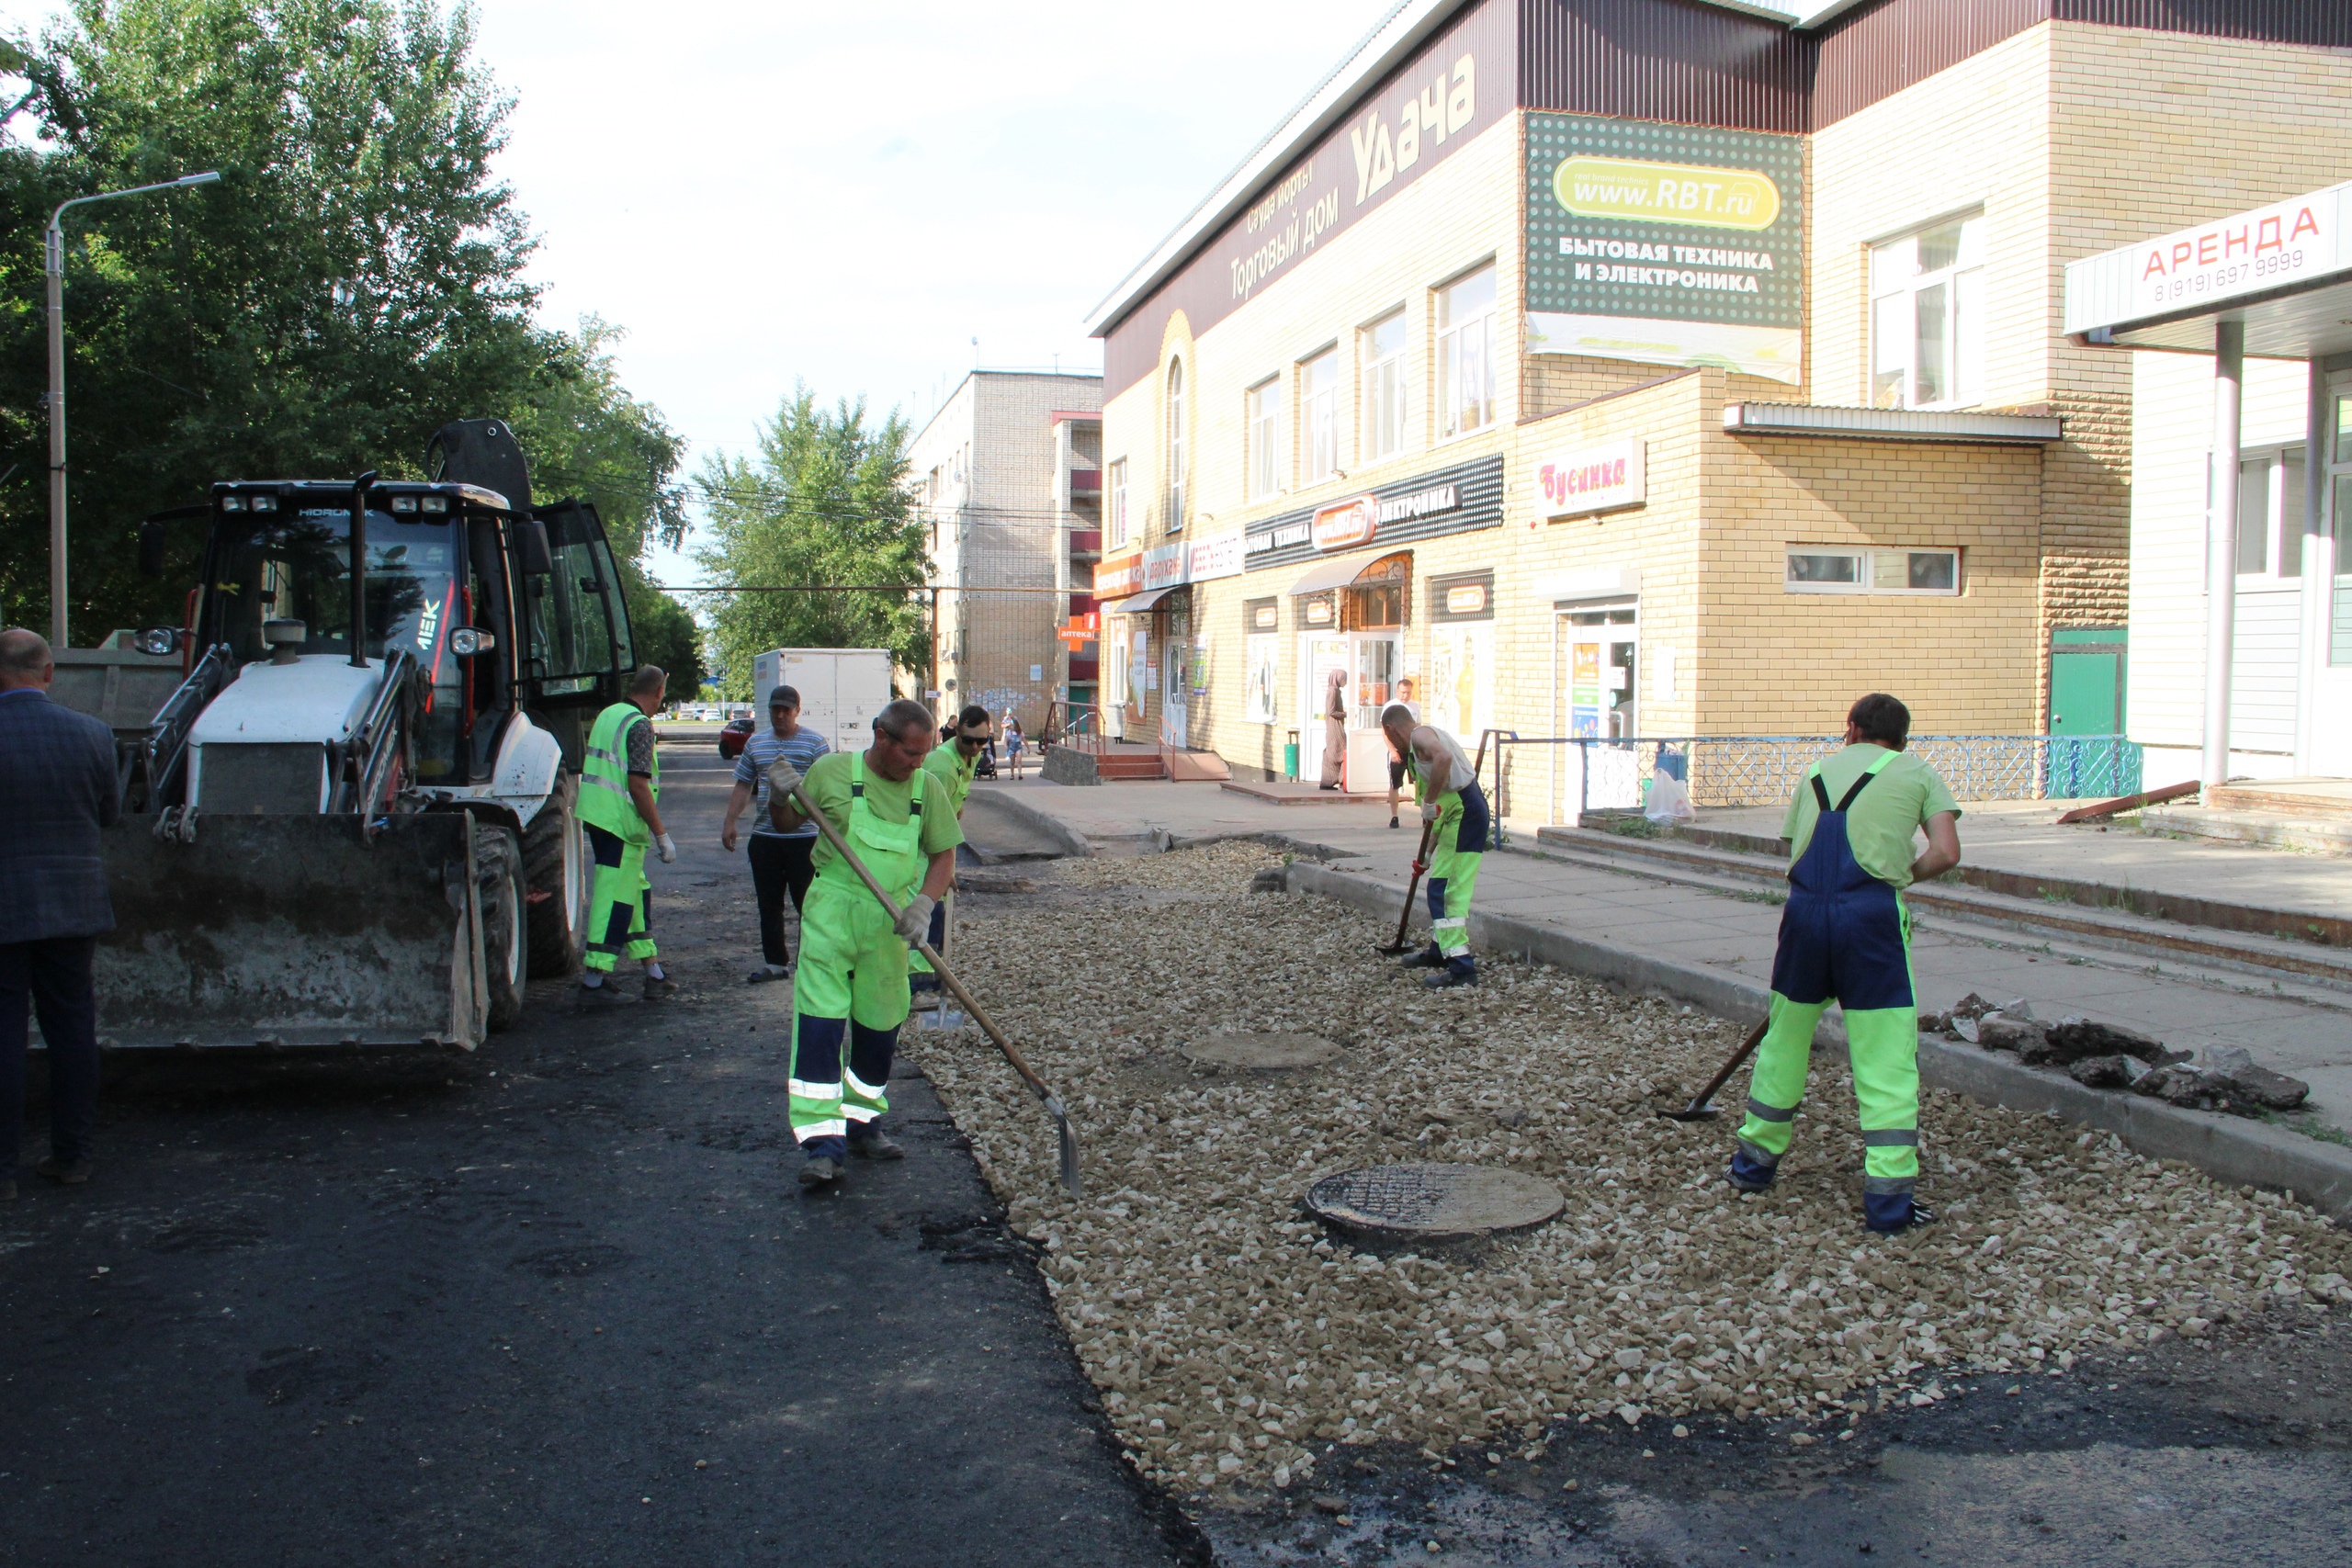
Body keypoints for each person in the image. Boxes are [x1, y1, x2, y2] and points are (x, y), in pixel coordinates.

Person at [1729, 693, 1962, 1235]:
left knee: (1783, 1043)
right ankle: (1888, 1205)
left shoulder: (1814, 772)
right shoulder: (1920, 773)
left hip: (1804, 919)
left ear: (1852, 729)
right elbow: (1947, 852)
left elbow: (1794, 842)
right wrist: (1903, 873)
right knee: (1885, 1059)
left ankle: (1753, 1167)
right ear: (1903, 735)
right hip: (1871, 924)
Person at [765, 699, 963, 1189]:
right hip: (833, 910)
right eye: (910, 753)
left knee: (881, 1022)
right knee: (821, 1023)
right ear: (882, 738)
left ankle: (863, 1123)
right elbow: (788, 823)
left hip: (890, 921)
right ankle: (821, 1146)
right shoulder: (832, 773)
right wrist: (776, 796)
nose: (918, 763)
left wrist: (924, 905)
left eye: (924, 754)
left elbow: (943, 855)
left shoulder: (927, 787)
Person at [0, 629, 119, 1193]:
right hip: (74, 905)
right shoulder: (93, 735)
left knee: (4, 1035)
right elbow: (110, 814)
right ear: (48, 673)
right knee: (71, 1029)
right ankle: (73, 1156)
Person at [575, 665, 676, 1009]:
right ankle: (594, 980)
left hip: (599, 815)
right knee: (615, 899)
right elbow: (637, 784)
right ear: (660, 691)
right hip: (620, 823)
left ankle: (654, 974)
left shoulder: (610, 715)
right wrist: (661, 834)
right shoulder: (639, 725)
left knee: (633, 893)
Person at [721, 685, 831, 983]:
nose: (780, 715)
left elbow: (827, 790)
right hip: (766, 837)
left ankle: (811, 963)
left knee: (809, 903)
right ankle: (775, 963)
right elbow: (744, 784)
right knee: (768, 903)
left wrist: (832, 830)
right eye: (775, 709)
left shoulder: (815, 744)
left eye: (786, 709)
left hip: (804, 838)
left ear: (798, 710)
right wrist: (730, 822)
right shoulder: (756, 744)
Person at [1382, 705, 1488, 989]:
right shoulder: (1419, 749)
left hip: (1467, 816)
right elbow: (1441, 812)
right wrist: (1426, 855)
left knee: (1446, 893)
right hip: (1456, 817)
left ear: (1391, 729)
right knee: (1438, 885)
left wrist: (1428, 802)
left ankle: (1462, 967)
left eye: (1388, 737)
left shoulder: (1420, 737)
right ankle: (1439, 951)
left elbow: (1445, 758)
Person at [910, 705, 993, 1000]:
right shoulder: (943, 767)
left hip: (936, 852)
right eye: (968, 740)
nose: (975, 747)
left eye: (981, 741)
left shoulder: (970, 756)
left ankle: (931, 983)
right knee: (925, 915)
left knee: (936, 918)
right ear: (955, 731)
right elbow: (930, 826)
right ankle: (916, 989)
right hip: (920, 856)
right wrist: (943, 869)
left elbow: (953, 813)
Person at [1384, 676, 1422, 828]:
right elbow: (1385, 732)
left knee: (1419, 782)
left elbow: (1418, 728)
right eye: (1402, 692)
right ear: (1397, 691)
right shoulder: (1390, 707)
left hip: (1412, 751)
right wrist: (1392, 751)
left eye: (1408, 693)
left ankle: (1424, 815)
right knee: (1395, 784)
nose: (1405, 696)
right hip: (1397, 751)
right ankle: (1394, 816)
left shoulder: (1415, 707)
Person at [1317, 669, 1347, 792]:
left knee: (1333, 752)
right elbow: (1331, 711)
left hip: (1335, 725)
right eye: (1344, 679)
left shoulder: (1335, 691)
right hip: (1335, 726)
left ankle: (1330, 781)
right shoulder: (1333, 691)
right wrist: (1345, 714)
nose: (1345, 682)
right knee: (1340, 751)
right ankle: (1340, 779)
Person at [1002, 710, 1025, 780]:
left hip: (1018, 747)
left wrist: (1028, 747)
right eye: (1011, 726)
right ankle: (1012, 774)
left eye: (1013, 726)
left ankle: (1020, 774)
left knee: (1019, 760)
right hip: (1012, 747)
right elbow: (1006, 739)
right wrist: (1006, 745)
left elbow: (1024, 739)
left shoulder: (1019, 732)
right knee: (1012, 761)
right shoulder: (1009, 732)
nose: (1012, 727)